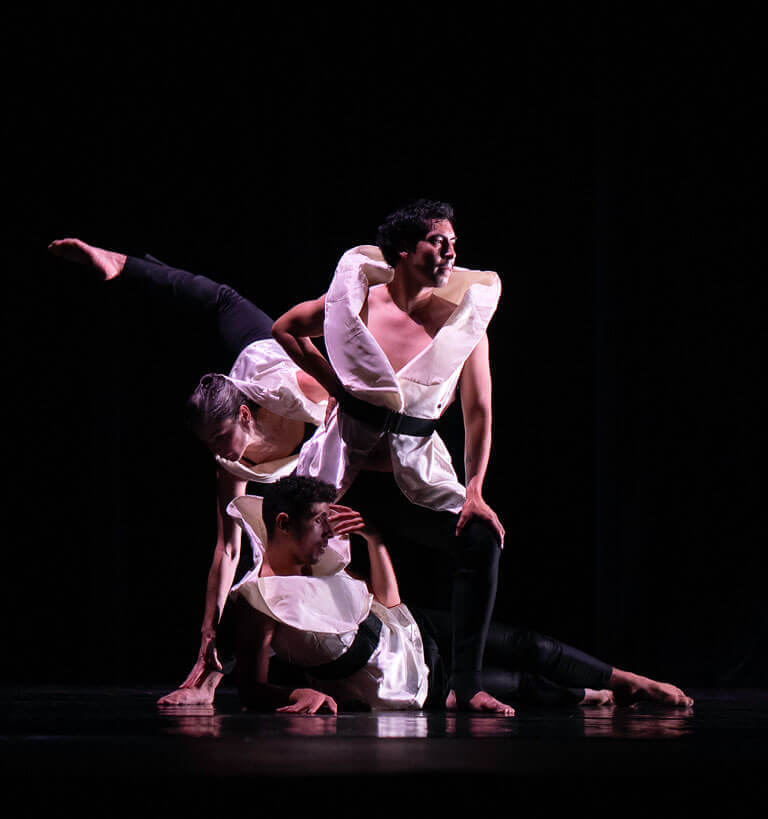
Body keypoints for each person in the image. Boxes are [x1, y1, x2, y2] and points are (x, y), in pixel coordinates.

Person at [48, 238, 329, 693]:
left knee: (221, 298)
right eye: (208, 445)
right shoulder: (228, 462)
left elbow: (350, 399)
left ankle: (123, 264)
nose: (218, 451)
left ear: (242, 417)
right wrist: (206, 640)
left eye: (220, 438)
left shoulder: (295, 388)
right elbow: (228, 550)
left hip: (265, 357)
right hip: (242, 381)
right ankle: (222, 670)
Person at [164, 475, 693, 714]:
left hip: (416, 629)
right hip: (405, 684)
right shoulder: (257, 600)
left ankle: (633, 680)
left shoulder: (323, 563)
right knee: (524, 686)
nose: (329, 533)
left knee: (528, 643)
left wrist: (373, 540)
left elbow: (386, 605)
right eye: (320, 523)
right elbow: (253, 692)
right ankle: (597, 694)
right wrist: (296, 693)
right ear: (281, 524)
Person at [271, 200, 509, 712]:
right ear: (404, 251)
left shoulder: (461, 325)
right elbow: (285, 328)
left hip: (413, 481)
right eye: (438, 241)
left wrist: (475, 490)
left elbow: (479, 411)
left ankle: (466, 688)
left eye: (454, 244)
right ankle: (280, 678)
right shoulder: (356, 303)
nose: (450, 252)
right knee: (289, 547)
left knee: (482, 538)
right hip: (346, 475)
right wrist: (336, 386)